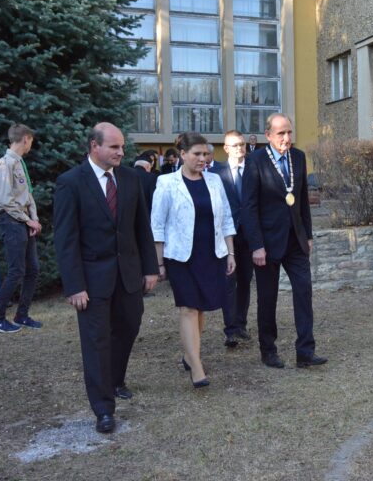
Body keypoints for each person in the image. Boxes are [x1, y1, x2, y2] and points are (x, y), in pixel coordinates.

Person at [53, 123, 159, 434]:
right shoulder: (71, 182)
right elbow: (66, 239)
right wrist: (74, 286)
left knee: (129, 326)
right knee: (96, 342)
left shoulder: (130, 178)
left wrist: (150, 268)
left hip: (128, 275)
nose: (121, 152)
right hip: (91, 280)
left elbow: (142, 227)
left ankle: (114, 379)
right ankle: (103, 409)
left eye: (122, 146)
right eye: (114, 147)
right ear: (94, 146)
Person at [241, 113, 327, 369]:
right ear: (268, 135)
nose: (287, 138)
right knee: (268, 298)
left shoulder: (298, 157)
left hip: (295, 241)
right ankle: (268, 350)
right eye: (281, 133)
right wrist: (256, 245)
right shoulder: (255, 160)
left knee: (304, 292)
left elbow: (302, 201)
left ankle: (305, 352)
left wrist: (307, 235)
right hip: (267, 244)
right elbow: (249, 207)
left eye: (289, 132)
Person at [151, 132, 236, 389]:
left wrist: (230, 252)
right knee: (188, 307)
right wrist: (159, 263)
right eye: (197, 154)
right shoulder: (167, 183)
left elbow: (226, 219)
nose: (203, 159)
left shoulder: (214, 180)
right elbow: (157, 225)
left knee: (201, 308)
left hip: (211, 254)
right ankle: (196, 367)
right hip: (181, 257)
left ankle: (190, 355)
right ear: (183, 154)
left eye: (206, 154)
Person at [0, 123, 42, 333]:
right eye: (31, 141)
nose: (30, 145)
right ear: (26, 139)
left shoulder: (19, 163)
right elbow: (5, 201)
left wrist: (34, 219)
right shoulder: (4, 165)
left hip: (24, 222)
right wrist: (27, 220)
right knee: (16, 270)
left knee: (32, 269)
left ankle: (22, 315)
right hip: (12, 221)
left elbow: (27, 195)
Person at [210, 130, 254, 347]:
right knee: (228, 281)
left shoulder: (254, 169)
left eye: (242, 144)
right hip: (225, 235)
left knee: (245, 280)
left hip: (249, 234)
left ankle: (241, 324)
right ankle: (230, 329)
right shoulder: (215, 173)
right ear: (226, 148)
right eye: (235, 145)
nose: (240, 148)